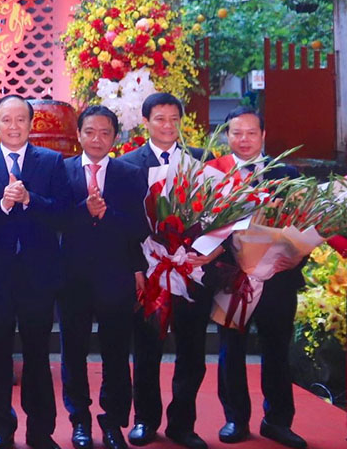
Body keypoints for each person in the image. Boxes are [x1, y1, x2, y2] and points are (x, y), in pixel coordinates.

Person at [0, 94, 70, 449]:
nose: (14, 127)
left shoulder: (53, 162)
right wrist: (2, 204)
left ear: (31, 124)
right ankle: (2, 429)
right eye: (6, 120)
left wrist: (30, 200)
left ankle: (41, 432)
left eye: (21, 120)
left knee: (38, 354)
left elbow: (63, 214)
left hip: (38, 277)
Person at [117, 93, 212, 449]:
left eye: (174, 119)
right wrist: (137, 267)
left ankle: (182, 424)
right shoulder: (127, 164)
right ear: (146, 122)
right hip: (150, 273)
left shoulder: (202, 161)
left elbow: (217, 220)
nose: (168, 126)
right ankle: (145, 420)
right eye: (160, 119)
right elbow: (124, 224)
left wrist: (206, 251)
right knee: (146, 350)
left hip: (191, 272)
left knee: (192, 350)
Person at [208, 108, 306, 449]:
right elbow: (202, 228)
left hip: (277, 279)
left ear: (263, 135)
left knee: (277, 350)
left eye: (251, 133)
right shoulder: (213, 174)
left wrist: (290, 256)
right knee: (230, 350)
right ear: (227, 136)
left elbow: (303, 225)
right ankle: (235, 418)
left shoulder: (287, 173)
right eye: (236, 133)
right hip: (232, 277)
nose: (244, 139)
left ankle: (278, 421)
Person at [59, 106, 149, 449]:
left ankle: (113, 423)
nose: (97, 139)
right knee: (74, 353)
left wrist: (106, 213)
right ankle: (79, 421)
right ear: (79, 134)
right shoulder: (62, 170)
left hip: (115, 277)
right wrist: (85, 210)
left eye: (105, 133)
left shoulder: (129, 173)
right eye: (90, 132)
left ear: (115, 137)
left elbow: (140, 226)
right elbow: (54, 219)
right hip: (72, 278)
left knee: (115, 353)